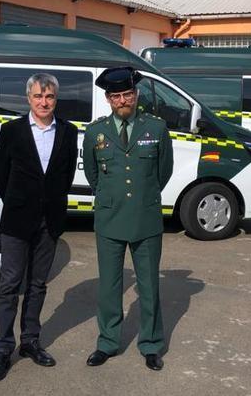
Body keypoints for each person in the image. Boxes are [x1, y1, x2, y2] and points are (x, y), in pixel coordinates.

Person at [0, 72, 78, 382]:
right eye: (38, 96)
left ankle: (30, 341)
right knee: (9, 285)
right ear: (29, 98)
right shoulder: (11, 131)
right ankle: (3, 349)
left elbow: (64, 176)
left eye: (49, 96)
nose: (44, 102)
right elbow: (1, 173)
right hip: (16, 220)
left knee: (38, 284)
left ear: (56, 99)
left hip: (49, 221)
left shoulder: (68, 131)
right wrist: (19, 201)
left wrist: (49, 204)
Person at [82, 66, 173, 371]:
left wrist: (144, 197)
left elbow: (163, 172)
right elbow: (93, 176)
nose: (123, 100)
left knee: (149, 286)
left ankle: (150, 344)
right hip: (109, 220)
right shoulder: (95, 132)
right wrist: (113, 197)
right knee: (109, 286)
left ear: (136, 95)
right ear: (108, 99)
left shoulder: (156, 128)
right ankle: (107, 342)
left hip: (145, 219)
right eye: (117, 96)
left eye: (128, 94)